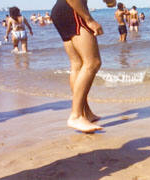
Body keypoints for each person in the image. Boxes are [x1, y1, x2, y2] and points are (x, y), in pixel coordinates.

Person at [50, 0, 115, 133]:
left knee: (77, 65)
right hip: (73, 10)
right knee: (92, 62)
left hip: (61, 10)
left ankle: (85, 113)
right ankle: (76, 115)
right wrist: (89, 19)